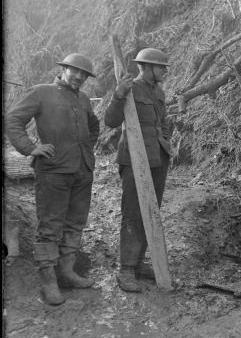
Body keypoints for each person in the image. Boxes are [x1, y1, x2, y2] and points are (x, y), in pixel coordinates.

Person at [6, 53, 99, 305]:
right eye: (75, 71)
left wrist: (86, 151)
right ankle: (49, 282)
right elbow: (13, 119)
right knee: (50, 227)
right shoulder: (41, 92)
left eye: (84, 74)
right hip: (53, 172)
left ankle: (67, 272)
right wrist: (30, 147)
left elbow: (93, 127)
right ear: (64, 69)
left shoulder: (82, 98)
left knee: (75, 223)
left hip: (82, 172)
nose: (79, 77)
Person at [104, 48, 172, 292]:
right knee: (133, 211)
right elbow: (110, 121)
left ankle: (140, 262)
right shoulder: (128, 88)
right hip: (134, 159)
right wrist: (118, 95)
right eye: (161, 66)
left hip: (158, 158)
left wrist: (166, 140)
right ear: (147, 67)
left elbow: (162, 122)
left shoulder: (158, 91)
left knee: (151, 210)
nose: (165, 70)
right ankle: (126, 269)